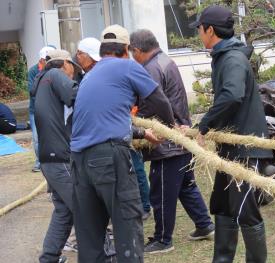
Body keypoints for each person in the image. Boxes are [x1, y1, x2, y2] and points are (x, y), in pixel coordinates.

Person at [70, 24, 175, 263]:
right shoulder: (127, 66)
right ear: (126, 49)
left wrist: (141, 133)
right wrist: (170, 128)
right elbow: (159, 100)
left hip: (78, 162)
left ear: (102, 50)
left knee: (90, 233)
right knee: (127, 221)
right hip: (108, 157)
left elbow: (104, 119)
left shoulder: (90, 76)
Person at [189, 6, 273, 263]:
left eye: (200, 29)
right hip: (230, 150)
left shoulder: (233, 59)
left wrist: (205, 124)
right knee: (224, 207)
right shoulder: (223, 56)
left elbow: (232, 95)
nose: (199, 34)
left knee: (246, 212)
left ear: (210, 30)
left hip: (246, 150)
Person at [130, 29, 214, 254]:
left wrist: (139, 126)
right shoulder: (165, 61)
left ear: (137, 50)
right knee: (186, 186)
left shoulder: (150, 69)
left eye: (131, 53)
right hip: (181, 135)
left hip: (168, 141)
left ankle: (163, 239)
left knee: (161, 192)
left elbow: (154, 103)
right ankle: (204, 225)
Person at [31, 49, 80, 263]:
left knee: (64, 210)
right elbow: (80, 96)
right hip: (60, 157)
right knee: (83, 207)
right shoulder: (55, 75)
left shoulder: (42, 80)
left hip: (48, 157)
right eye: (73, 68)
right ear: (64, 64)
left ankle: (49, 258)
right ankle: (107, 255)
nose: (73, 74)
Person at [28, 46, 56, 172]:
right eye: (46, 59)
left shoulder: (55, 69)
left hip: (53, 108)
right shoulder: (33, 71)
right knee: (37, 138)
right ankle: (40, 161)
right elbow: (31, 91)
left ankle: (54, 159)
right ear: (41, 60)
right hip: (36, 110)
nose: (48, 61)